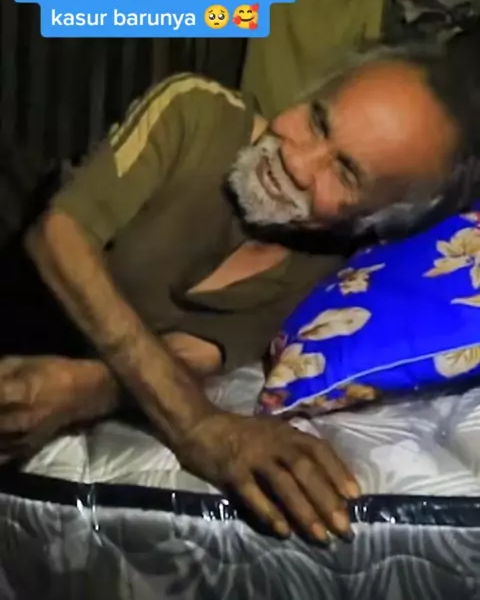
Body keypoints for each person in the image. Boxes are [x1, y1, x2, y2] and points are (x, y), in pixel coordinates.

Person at [1, 29, 480, 545]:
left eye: (344, 172)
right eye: (316, 119)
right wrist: (198, 426)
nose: (297, 162)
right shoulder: (197, 109)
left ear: (376, 218)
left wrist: (83, 388)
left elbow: (191, 356)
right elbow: (58, 236)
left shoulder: (320, 274)